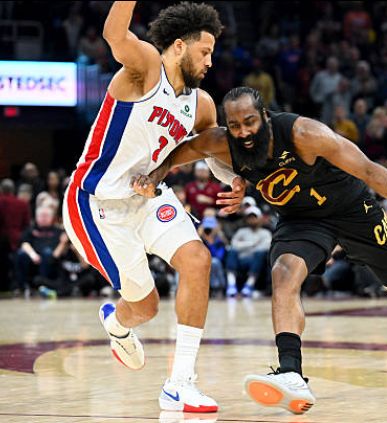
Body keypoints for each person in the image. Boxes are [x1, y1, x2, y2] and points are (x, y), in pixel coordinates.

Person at [134, 86, 387, 415]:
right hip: (301, 221)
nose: (243, 132)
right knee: (283, 275)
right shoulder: (222, 143)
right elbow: (183, 151)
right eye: (235, 125)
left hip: (351, 210)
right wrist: (156, 176)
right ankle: (291, 372)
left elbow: (370, 170)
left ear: (265, 116)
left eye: (250, 122)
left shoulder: (305, 134)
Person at [60, 1, 245, 413]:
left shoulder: (201, 104)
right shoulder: (146, 67)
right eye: (204, 51)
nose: (210, 61)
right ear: (179, 46)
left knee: (198, 260)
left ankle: (180, 383)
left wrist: (233, 179)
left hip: (148, 197)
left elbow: (212, 153)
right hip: (97, 204)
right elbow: (114, 35)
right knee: (145, 307)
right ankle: (116, 323)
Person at [225, 206, 272, 298]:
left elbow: (266, 247)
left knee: (260, 253)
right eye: (249, 217)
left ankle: (249, 285)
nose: (252, 219)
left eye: (254, 217)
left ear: (259, 218)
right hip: (241, 259)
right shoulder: (241, 231)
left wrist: (243, 245)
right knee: (232, 251)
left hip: (256, 260)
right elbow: (234, 244)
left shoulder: (265, 233)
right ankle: (231, 284)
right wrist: (251, 244)